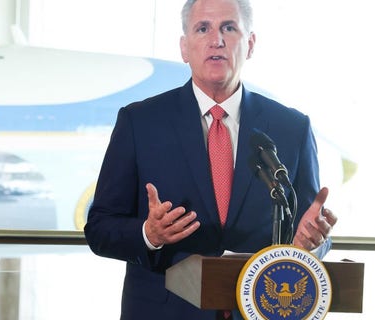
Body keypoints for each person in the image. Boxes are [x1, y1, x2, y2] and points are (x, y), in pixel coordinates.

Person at [83, 0, 337, 319]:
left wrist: (310, 245)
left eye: (228, 28)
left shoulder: (292, 128)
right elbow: (100, 228)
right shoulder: (140, 122)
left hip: (261, 309)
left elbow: (310, 229)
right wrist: (149, 234)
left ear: (251, 44)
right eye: (202, 28)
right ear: (184, 47)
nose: (216, 39)